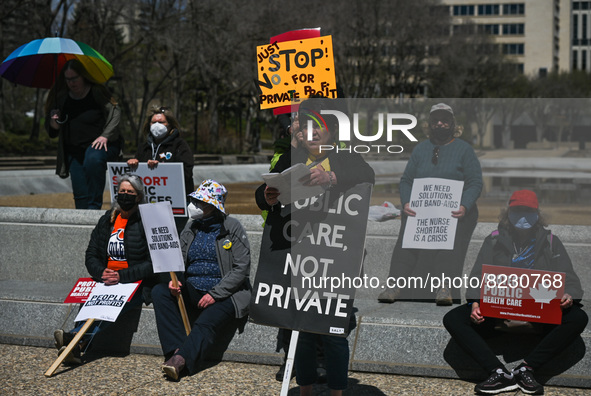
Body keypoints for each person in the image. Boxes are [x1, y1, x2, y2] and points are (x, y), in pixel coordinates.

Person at [256, 97, 375, 395]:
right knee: (303, 331)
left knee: (335, 334)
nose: (312, 133)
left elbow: (368, 177)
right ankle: (305, 389)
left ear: (331, 131)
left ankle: (337, 392)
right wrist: (267, 196)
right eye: (307, 127)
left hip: (335, 262)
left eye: (319, 127)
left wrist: (331, 177)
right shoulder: (292, 159)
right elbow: (263, 192)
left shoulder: (345, 157)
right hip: (299, 261)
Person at [443, 189, 588, 395]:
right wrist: (474, 302)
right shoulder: (493, 241)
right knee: (453, 318)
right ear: (508, 213)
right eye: (517, 210)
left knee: (578, 317)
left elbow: (572, 282)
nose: (522, 216)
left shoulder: (551, 242)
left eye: (528, 211)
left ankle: (526, 369)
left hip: (539, 315)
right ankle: (498, 373)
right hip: (498, 312)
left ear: (537, 214)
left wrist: (569, 296)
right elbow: (477, 279)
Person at [378, 103, 483, 305]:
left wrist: (464, 205)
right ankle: (394, 286)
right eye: (435, 120)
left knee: (449, 239)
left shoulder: (464, 150)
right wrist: (407, 201)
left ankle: (445, 289)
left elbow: (475, 182)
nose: (440, 124)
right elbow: (406, 180)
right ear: (430, 124)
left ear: (452, 124)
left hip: (454, 211)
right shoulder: (420, 149)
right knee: (405, 240)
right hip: (421, 209)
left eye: (444, 120)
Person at [152, 179, 252, 380]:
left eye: (200, 202)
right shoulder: (191, 227)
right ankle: (175, 351)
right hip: (193, 287)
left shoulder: (232, 227)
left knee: (206, 322)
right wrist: (175, 280)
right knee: (159, 292)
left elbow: (242, 269)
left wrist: (215, 294)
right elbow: (177, 258)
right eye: (195, 200)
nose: (194, 206)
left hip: (226, 293)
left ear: (214, 206)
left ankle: (180, 362)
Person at [54, 173, 157, 363]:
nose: (125, 195)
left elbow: (153, 263)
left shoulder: (147, 222)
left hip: (134, 283)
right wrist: (101, 272)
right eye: (122, 191)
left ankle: (74, 338)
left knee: (109, 306)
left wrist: (121, 276)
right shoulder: (107, 220)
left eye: (130, 192)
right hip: (105, 278)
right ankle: (77, 347)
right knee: (91, 299)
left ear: (139, 197)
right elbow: (91, 254)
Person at [45, 59, 122, 210]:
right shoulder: (61, 98)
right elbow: (52, 132)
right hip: (75, 152)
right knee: (81, 197)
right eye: (68, 79)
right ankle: (83, 224)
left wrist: (105, 135)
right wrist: (54, 122)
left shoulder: (97, 92)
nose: (71, 83)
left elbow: (116, 112)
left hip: (99, 147)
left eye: (74, 78)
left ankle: (94, 213)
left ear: (83, 77)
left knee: (92, 159)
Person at [127, 105, 194, 197]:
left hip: (175, 197)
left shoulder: (179, 145)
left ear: (170, 125)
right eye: (154, 122)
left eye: (161, 122)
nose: (157, 125)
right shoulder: (143, 147)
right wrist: (133, 164)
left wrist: (161, 168)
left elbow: (186, 173)